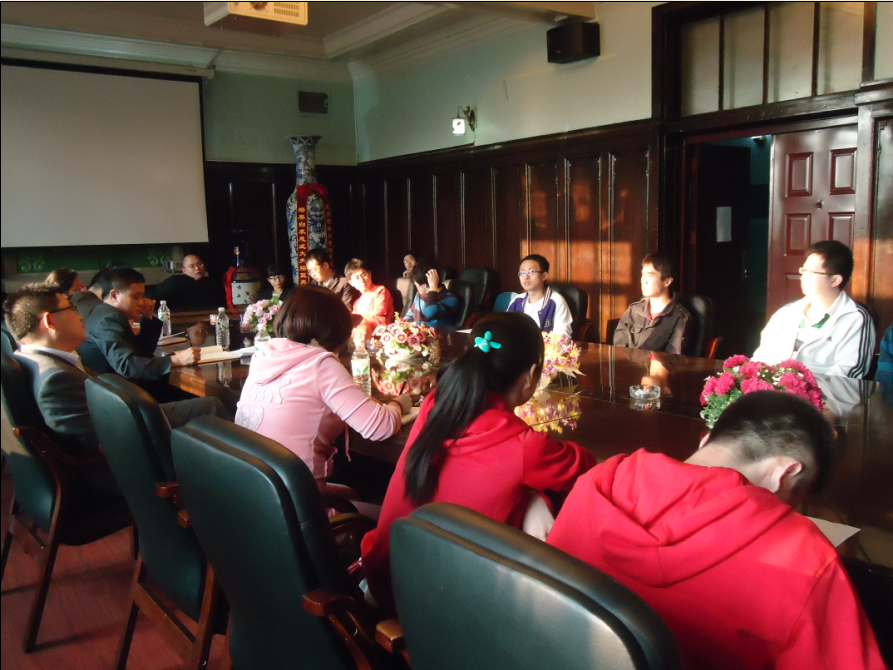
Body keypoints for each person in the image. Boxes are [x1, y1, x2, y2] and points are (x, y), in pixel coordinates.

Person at [547, 391, 884, 670]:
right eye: (792, 499)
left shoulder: (599, 481)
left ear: (707, 439)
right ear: (785, 473)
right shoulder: (803, 557)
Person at [361, 312, 596, 616]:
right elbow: (583, 467)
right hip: (443, 607)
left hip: (388, 578)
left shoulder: (435, 403)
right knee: (539, 512)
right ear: (532, 375)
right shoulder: (525, 446)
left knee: (529, 500)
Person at [4, 284, 230, 463]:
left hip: (121, 429)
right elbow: (100, 441)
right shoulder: (55, 379)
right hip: (118, 470)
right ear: (49, 321)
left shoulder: (33, 361)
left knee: (203, 404)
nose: (81, 316)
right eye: (71, 309)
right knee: (212, 406)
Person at [234, 286, 411, 498]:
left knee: (352, 494)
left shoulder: (264, 356)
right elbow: (380, 426)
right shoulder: (319, 364)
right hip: (297, 504)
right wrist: (398, 404)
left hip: (254, 494)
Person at [752, 240, 876, 378]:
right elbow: (761, 358)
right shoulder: (786, 313)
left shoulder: (855, 317)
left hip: (826, 391)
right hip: (774, 389)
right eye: (803, 270)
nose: (803, 277)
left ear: (835, 280)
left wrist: (804, 387)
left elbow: (849, 371)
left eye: (811, 271)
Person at [78, 268, 200, 380]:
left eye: (142, 296)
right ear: (114, 295)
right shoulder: (109, 319)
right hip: (125, 391)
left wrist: (147, 318)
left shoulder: (103, 312)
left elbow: (141, 354)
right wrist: (177, 360)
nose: (141, 302)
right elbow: (127, 366)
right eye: (135, 297)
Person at [613, 251, 690, 355]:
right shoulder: (633, 311)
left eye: (649, 276)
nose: (643, 281)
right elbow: (618, 349)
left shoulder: (679, 317)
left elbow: (673, 359)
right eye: (643, 275)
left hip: (656, 366)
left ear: (667, 281)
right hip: (627, 365)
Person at [507, 254, 573, 338]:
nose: (526, 277)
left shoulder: (556, 301)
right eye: (522, 273)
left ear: (544, 276)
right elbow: (505, 329)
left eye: (531, 272)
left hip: (545, 346)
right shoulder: (516, 300)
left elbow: (563, 336)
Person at [153, 254, 226, 311]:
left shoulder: (214, 284)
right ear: (184, 271)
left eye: (200, 264)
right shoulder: (174, 282)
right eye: (192, 266)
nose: (197, 268)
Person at [345, 258, 394, 340]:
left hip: (382, 335)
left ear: (370, 274)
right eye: (357, 278)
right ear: (351, 282)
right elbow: (353, 322)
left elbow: (379, 318)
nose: (362, 280)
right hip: (362, 335)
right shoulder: (357, 303)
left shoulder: (380, 291)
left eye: (364, 275)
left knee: (362, 328)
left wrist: (358, 320)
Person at [402, 263, 459, 328]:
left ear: (425, 285)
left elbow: (430, 312)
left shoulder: (451, 299)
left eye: (416, 285)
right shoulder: (420, 293)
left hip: (434, 333)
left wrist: (433, 288)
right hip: (416, 331)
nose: (416, 287)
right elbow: (412, 313)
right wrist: (402, 324)